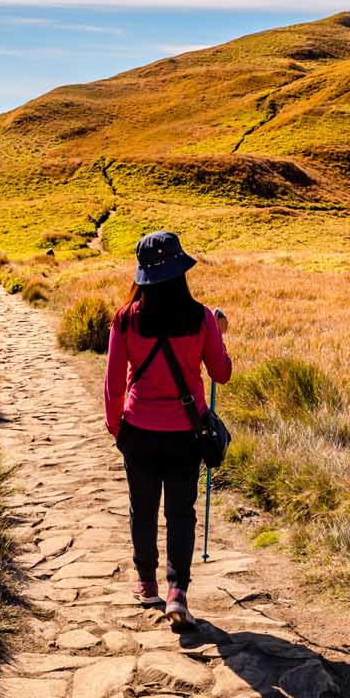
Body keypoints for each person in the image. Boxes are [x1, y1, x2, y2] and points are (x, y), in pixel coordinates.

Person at [104, 230, 231, 627]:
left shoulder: (125, 320)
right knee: (181, 512)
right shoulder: (201, 317)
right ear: (181, 272)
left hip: (138, 429)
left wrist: (117, 428)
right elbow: (222, 374)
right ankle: (178, 592)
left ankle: (146, 584)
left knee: (142, 510)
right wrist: (219, 335)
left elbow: (111, 383)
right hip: (185, 432)